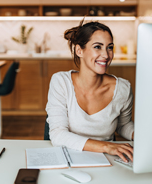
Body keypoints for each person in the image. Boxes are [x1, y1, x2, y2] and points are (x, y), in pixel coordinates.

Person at [46, 19, 134, 162]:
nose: (106, 55)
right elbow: (58, 135)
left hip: (108, 160)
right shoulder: (61, 82)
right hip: (68, 157)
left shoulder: (123, 89)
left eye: (110, 47)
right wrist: (106, 146)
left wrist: (140, 134)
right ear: (79, 50)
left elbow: (123, 124)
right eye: (98, 47)